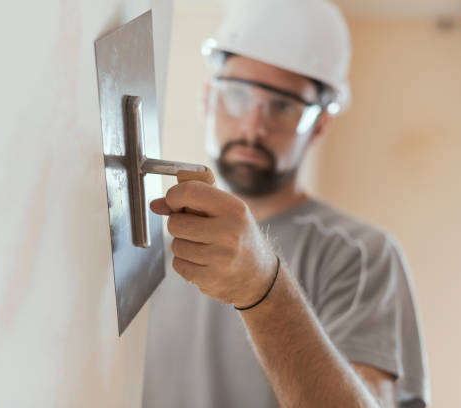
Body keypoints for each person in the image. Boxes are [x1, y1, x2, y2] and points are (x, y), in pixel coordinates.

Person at [143, 0, 430, 407]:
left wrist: (264, 288)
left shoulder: (360, 254)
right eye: (238, 94)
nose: (253, 126)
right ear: (208, 97)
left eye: (283, 106)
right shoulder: (148, 231)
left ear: (319, 126)